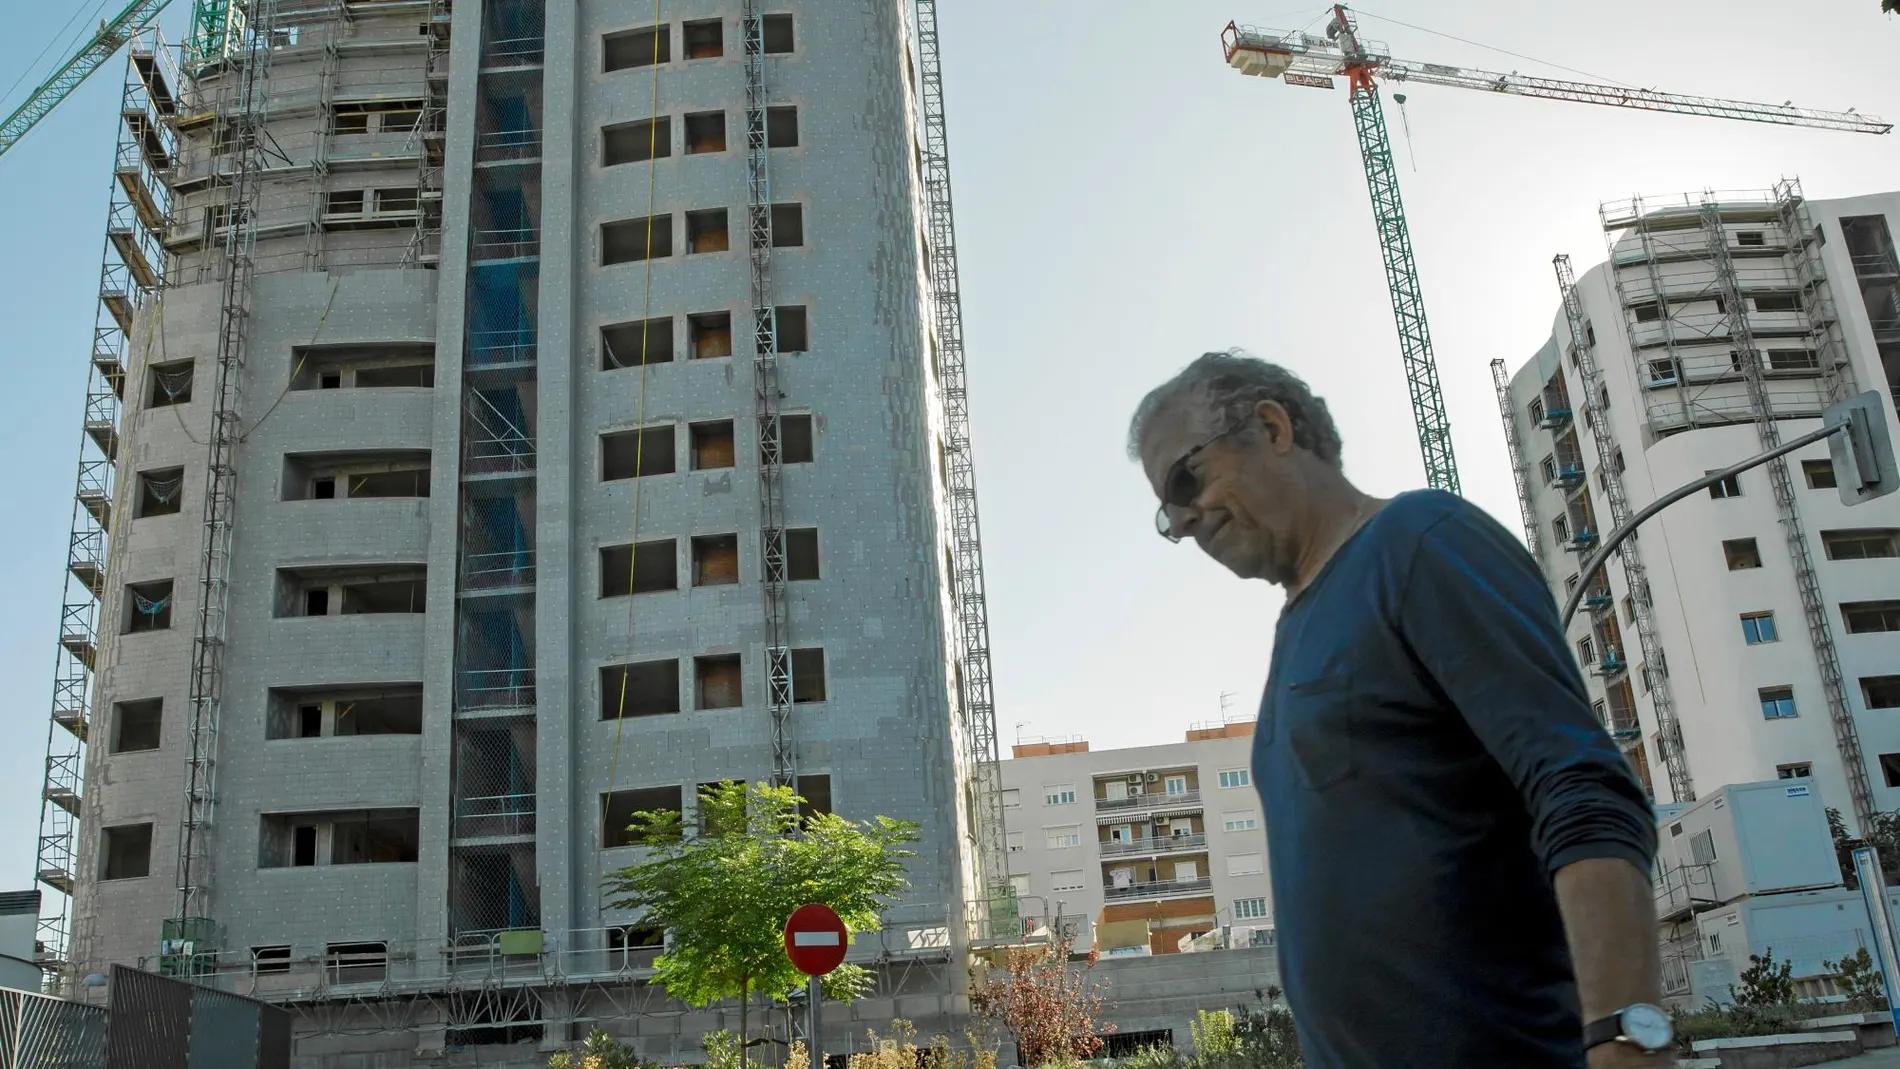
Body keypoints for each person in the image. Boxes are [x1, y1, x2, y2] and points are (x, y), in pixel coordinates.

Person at [1128, 351, 1670, 1068]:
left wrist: (1626, 1041)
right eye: (1167, 514)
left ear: (1272, 428)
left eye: (1185, 480)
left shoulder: (1420, 542)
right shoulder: (1296, 629)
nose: (1184, 519)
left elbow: (1582, 789)